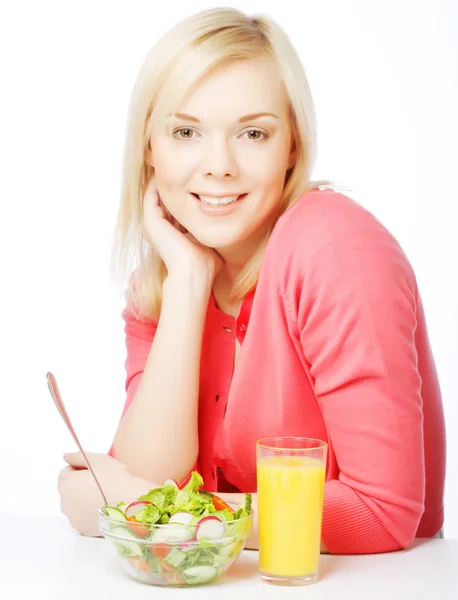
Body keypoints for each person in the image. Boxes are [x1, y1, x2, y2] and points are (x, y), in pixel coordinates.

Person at [58, 7, 446, 554]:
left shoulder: (335, 249)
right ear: (149, 146)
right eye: (186, 131)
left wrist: (143, 511)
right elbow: (147, 472)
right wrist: (190, 285)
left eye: (253, 133)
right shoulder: (165, 279)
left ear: (291, 145)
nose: (219, 165)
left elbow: (383, 513)